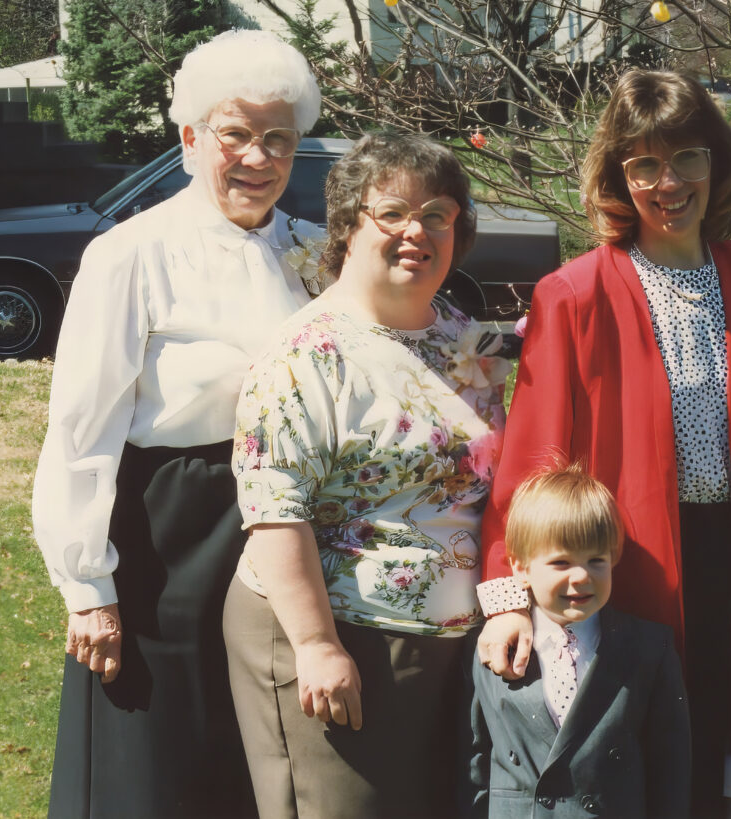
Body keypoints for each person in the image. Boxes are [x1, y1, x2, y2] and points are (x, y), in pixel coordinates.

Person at [476, 68, 731, 815]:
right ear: (619, 178)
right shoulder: (574, 293)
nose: (669, 181)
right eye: (644, 163)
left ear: (716, 162)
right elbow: (531, 458)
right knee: (645, 755)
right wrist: (508, 595)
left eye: (686, 156)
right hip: (631, 559)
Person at [31, 30, 322, 818]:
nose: (257, 158)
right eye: (236, 134)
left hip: (281, 528)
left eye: (278, 140)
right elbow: (81, 429)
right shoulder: (131, 253)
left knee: (251, 757)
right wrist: (88, 584)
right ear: (191, 137)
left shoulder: (313, 253)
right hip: (168, 536)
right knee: (156, 764)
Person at [224, 131, 509, 819]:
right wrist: (318, 646)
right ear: (350, 223)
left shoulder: (460, 337)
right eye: (394, 212)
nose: (418, 230)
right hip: (337, 637)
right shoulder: (306, 356)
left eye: (438, 214)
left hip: (446, 650)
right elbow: (274, 510)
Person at [465, 464, 691, 819]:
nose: (582, 576)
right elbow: (474, 762)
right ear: (520, 568)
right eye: (561, 562)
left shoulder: (649, 647)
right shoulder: (494, 649)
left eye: (596, 560)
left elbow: (670, 768)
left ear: (614, 559)